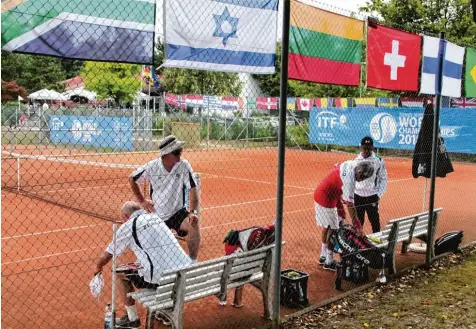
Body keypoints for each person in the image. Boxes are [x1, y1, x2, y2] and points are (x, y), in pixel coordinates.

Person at [94, 201, 194, 328]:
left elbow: (108, 254)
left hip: (163, 279)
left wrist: (98, 267)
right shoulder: (154, 217)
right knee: (153, 266)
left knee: (118, 273)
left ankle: (132, 318)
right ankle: (164, 312)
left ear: (125, 216)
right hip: (185, 274)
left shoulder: (129, 226)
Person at [129, 135, 201, 261]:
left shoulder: (184, 165)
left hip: (178, 212)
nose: (180, 154)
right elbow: (132, 179)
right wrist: (142, 201)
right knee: (154, 249)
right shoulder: (152, 167)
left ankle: (192, 262)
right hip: (157, 214)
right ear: (167, 154)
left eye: (180, 150)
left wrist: (193, 212)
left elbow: (193, 190)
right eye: (177, 152)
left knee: (194, 223)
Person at [314, 160, 374, 271]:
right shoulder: (349, 181)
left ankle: (323, 255)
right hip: (325, 197)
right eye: (361, 177)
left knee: (338, 219)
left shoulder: (353, 163)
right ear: (359, 173)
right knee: (333, 227)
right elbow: (350, 205)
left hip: (333, 194)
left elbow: (336, 165)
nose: (360, 180)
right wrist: (358, 226)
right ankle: (328, 261)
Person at [221, 224, 276, 308]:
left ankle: (233, 299)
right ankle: (236, 300)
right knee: (242, 266)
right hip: (237, 252)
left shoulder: (263, 234)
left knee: (239, 266)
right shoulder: (266, 238)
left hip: (237, 263)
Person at [354, 136, 388, 233]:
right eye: (364, 148)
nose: (366, 151)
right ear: (361, 147)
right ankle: (358, 243)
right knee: (358, 221)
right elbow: (352, 178)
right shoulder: (356, 160)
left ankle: (376, 244)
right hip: (358, 196)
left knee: (374, 221)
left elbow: (383, 178)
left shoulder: (378, 160)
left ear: (372, 148)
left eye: (369, 148)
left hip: (372, 196)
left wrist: (379, 194)